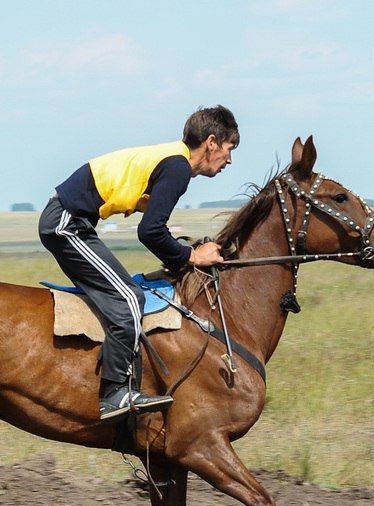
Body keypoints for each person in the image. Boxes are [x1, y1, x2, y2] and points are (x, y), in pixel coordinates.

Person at [39, 105, 238, 422]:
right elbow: (150, 231)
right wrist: (192, 256)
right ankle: (114, 393)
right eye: (229, 149)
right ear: (212, 142)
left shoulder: (172, 162)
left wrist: (179, 256)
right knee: (130, 298)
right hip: (66, 223)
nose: (230, 160)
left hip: (75, 221)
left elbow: (156, 230)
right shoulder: (177, 168)